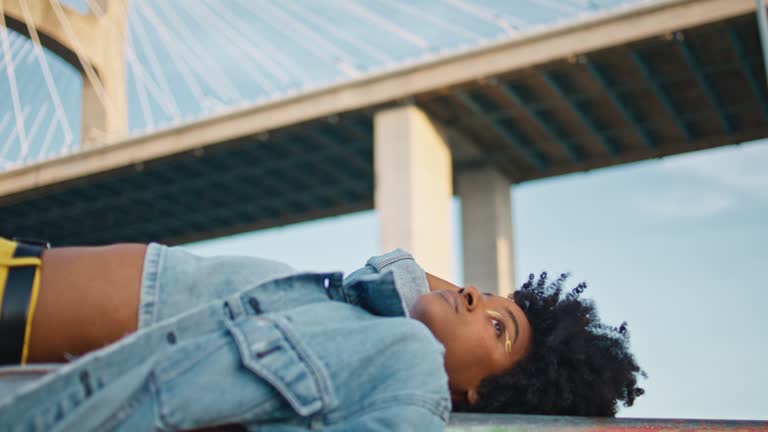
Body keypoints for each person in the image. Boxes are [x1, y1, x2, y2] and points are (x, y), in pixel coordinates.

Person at [0, 237, 644, 431]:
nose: (472, 294)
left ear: (477, 397)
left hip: (29, 317)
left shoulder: (409, 376)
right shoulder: (382, 316)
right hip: (25, 284)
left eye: (499, 326)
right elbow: (406, 274)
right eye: (483, 294)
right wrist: (474, 320)